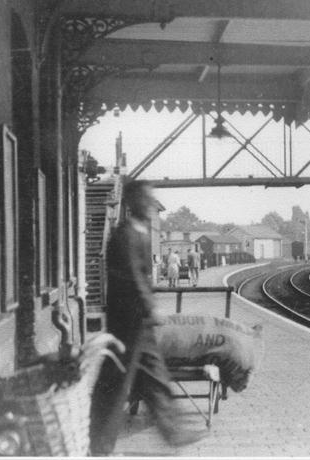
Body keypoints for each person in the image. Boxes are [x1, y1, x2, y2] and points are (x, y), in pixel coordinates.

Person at [89, 180, 203, 454]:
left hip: (138, 321)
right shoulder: (125, 234)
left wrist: (147, 308)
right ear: (132, 202)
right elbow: (133, 276)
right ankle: (97, 444)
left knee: (154, 375)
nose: (151, 204)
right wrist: (149, 306)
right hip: (127, 322)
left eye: (151, 198)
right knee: (117, 385)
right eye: (146, 198)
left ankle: (174, 431)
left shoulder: (137, 232)